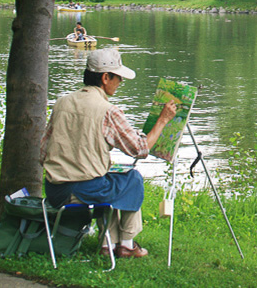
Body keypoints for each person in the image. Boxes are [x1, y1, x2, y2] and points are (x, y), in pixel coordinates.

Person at [40, 48, 177, 258]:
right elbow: (140, 149)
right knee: (132, 180)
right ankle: (127, 244)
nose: (120, 82)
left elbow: (43, 153)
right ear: (106, 78)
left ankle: (108, 244)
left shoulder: (62, 103)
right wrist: (163, 120)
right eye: (118, 77)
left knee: (108, 180)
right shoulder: (107, 111)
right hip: (80, 193)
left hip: (54, 190)